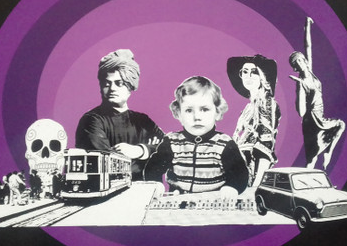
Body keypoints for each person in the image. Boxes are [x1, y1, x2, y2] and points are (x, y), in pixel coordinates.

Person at [144, 76, 249, 199]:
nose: (197, 117)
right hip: (178, 200)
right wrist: (156, 184)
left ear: (217, 112)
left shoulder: (224, 143)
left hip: (214, 201)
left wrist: (232, 187)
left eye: (204, 109)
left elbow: (240, 173)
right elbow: (152, 168)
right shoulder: (172, 142)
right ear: (179, 114)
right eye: (189, 110)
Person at [75, 49, 164, 180]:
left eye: (119, 83)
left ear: (130, 86)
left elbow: (170, 151)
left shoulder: (143, 121)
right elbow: (104, 165)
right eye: (107, 84)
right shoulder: (91, 120)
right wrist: (150, 154)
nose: (112, 89)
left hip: (151, 190)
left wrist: (139, 151)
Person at [289, 17, 346, 170]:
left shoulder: (310, 71)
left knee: (340, 125)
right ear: (295, 68)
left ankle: (328, 152)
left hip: (320, 116)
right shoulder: (302, 82)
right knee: (312, 159)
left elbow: (308, 45)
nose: (300, 63)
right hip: (311, 121)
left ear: (305, 61)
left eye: (301, 60)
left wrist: (307, 25)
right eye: (296, 63)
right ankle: (309, 179)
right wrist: (300, 87)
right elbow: (301, 112)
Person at [227, 54, 281, 186]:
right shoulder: (248, 107)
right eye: (244, 72)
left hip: (252, 172)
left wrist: (256, 185)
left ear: (263, 77)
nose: (248, 76)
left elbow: (266, 146)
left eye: (254, 72)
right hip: (239, 171)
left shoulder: (266, 103)